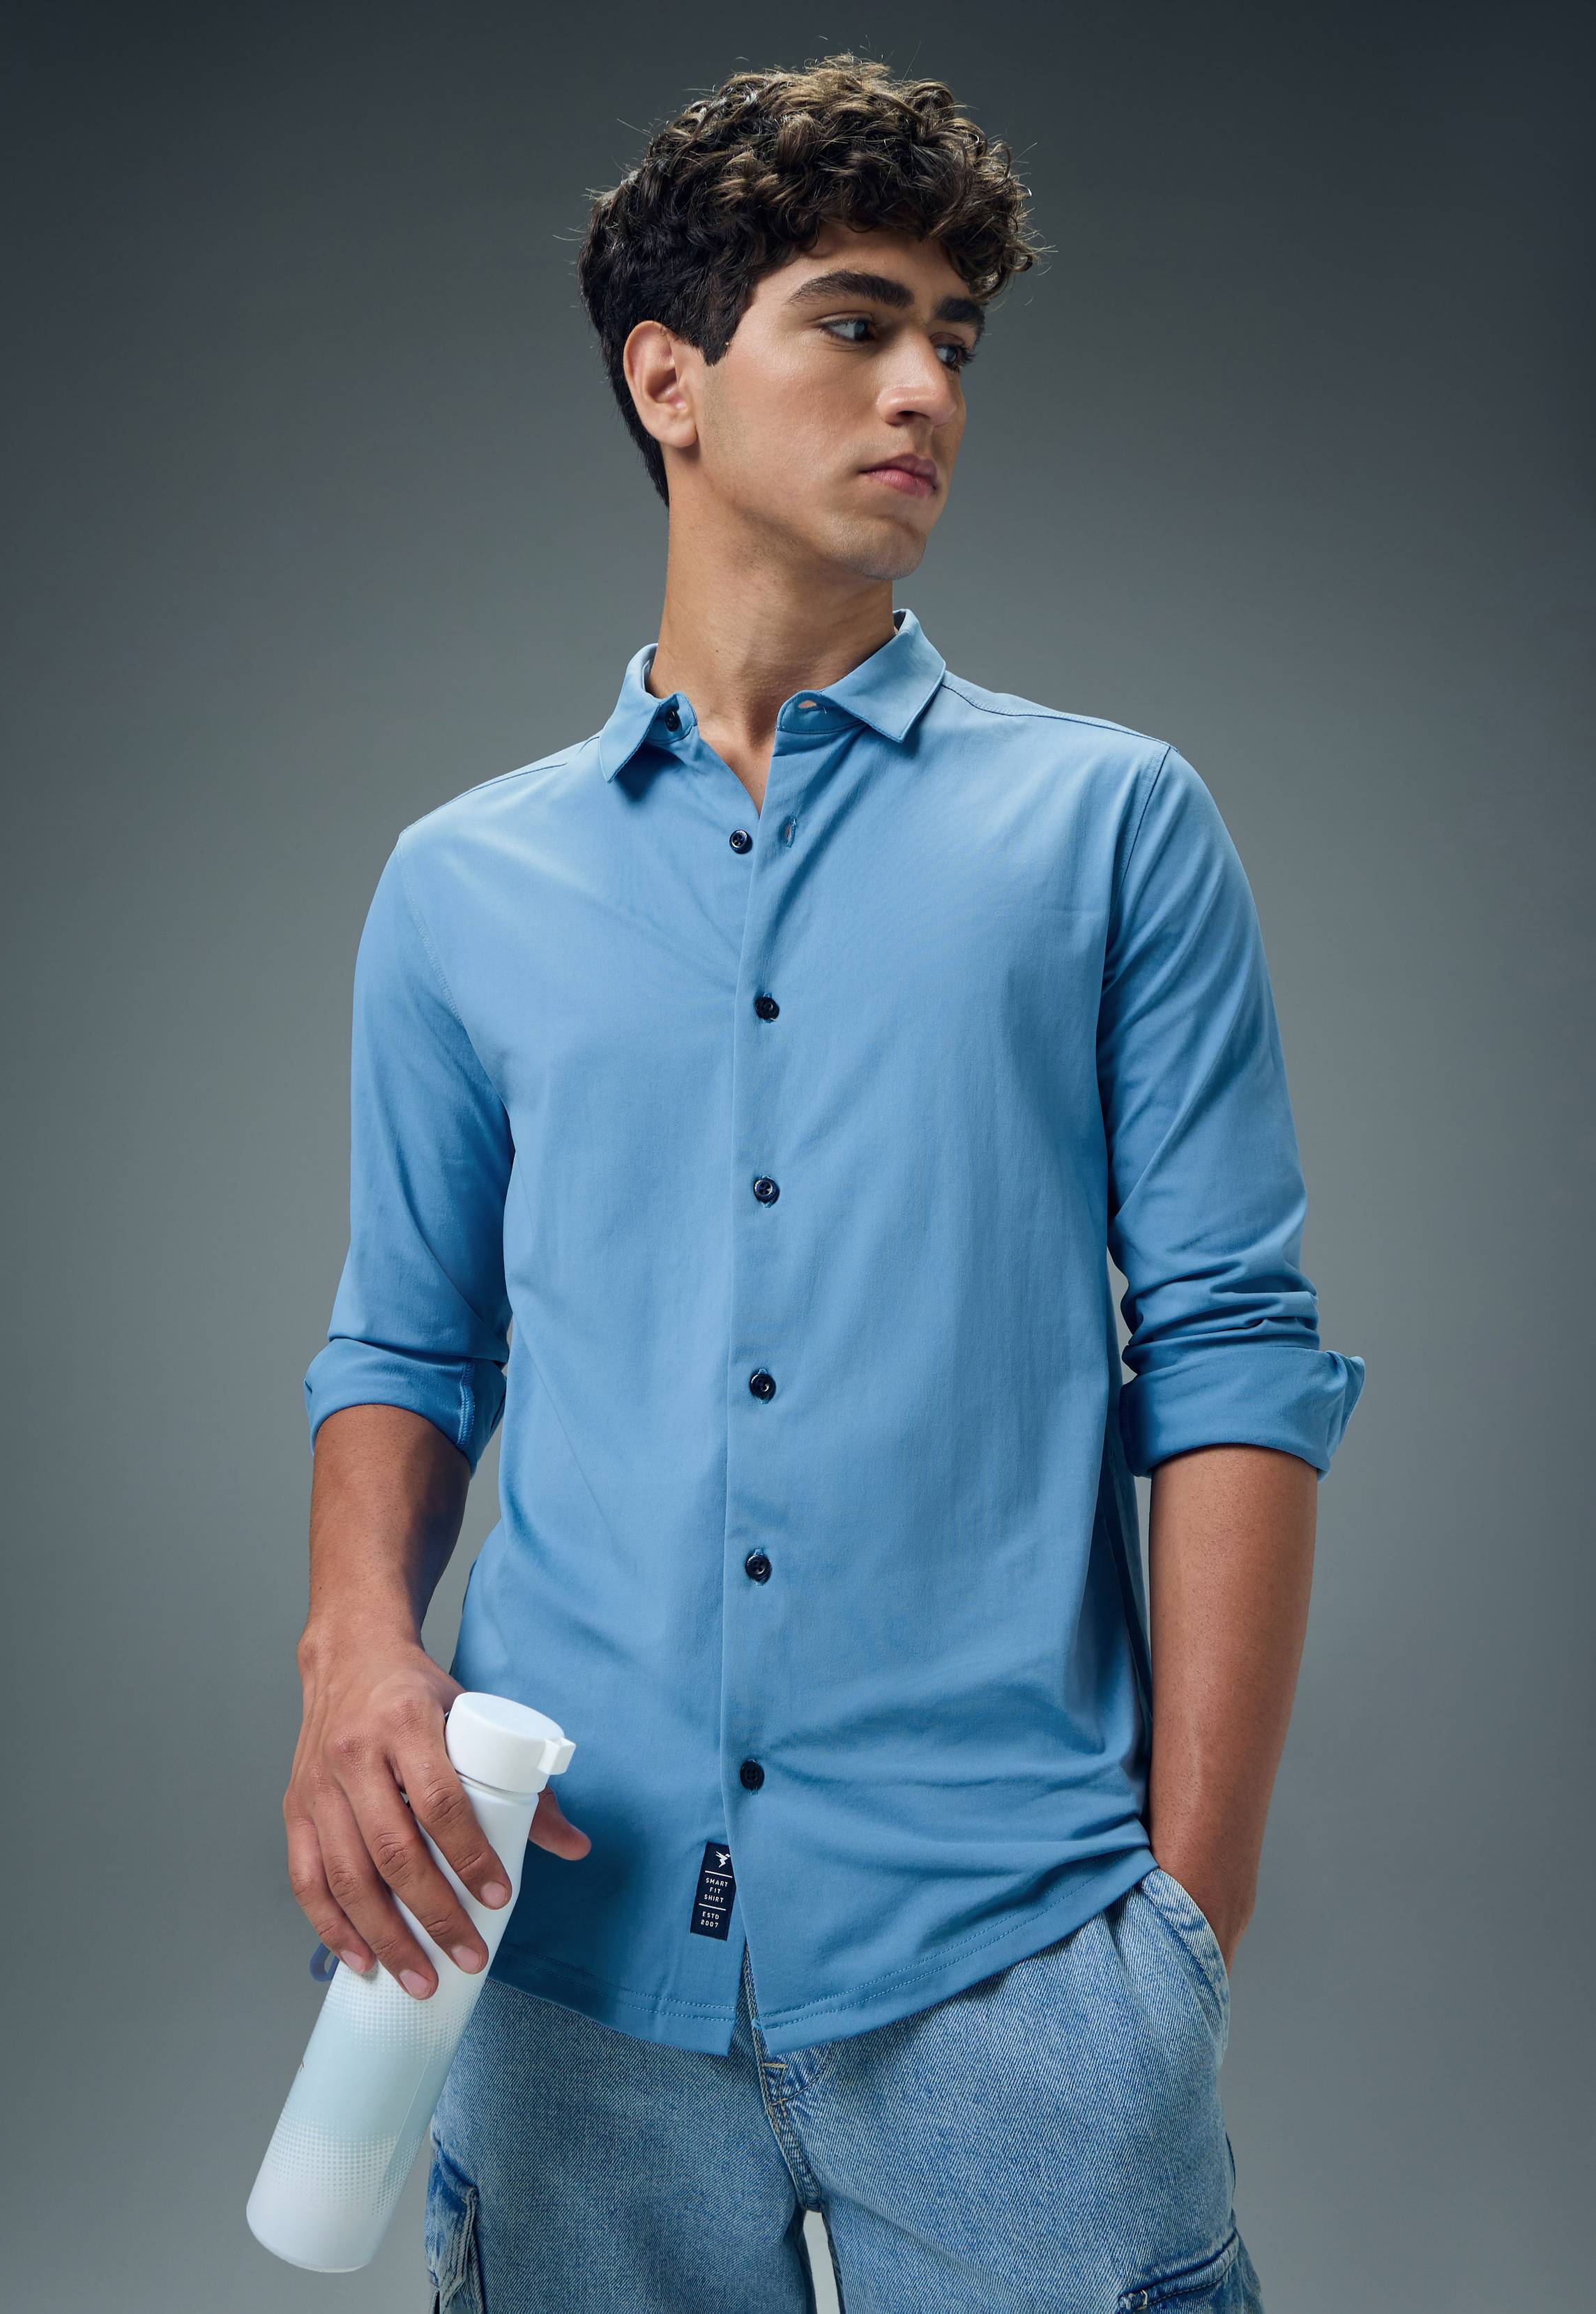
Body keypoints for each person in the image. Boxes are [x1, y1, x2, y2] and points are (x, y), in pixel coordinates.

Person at [282, 52, 1365, 2314]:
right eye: (855, 325)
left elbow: (1232, 1355)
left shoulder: (1110, 831)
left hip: (1016, 1961)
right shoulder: (460, 886)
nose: (924, 392)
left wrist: (1187, 1917)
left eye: (951, 342)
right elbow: (406, 1340)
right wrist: (356, 1649)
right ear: (666, 381)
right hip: (558, 1963)